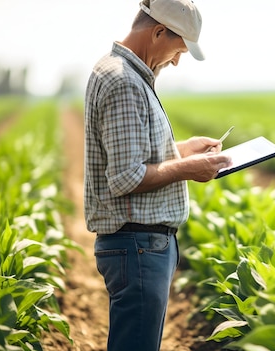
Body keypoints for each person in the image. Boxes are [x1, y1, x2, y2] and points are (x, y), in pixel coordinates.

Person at [83, 0, 231, 350]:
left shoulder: (125, 74)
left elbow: (133, 157)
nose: (177, 61)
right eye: (178, 50)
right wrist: (189, 169)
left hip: (140, 246)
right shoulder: (123, 82)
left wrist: (183, 149)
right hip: (138, 246)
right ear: (158, 32)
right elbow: (125, 176)